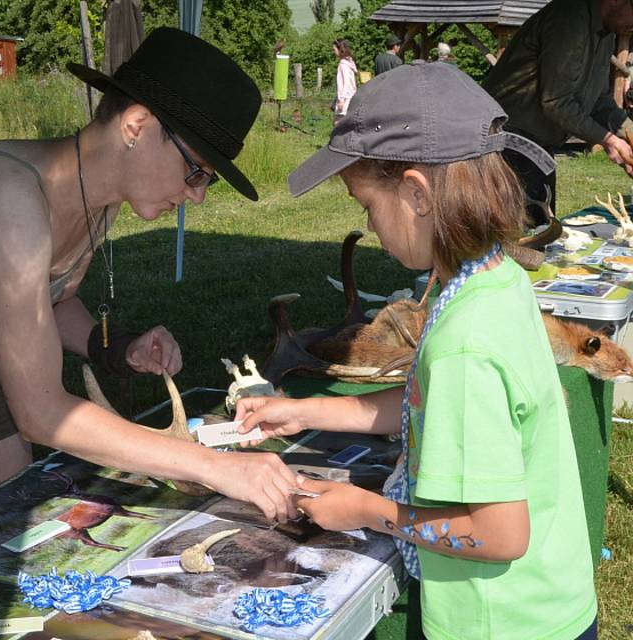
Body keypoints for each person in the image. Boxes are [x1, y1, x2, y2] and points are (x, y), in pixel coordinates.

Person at [0, 27, 298, 543]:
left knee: (15, 537)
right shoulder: (10, 199)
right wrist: (211, 466)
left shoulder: (99, 197)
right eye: (197, 171)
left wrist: (118, 346)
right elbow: (40, 413)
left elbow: (56, 301)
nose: (199, 196)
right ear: (137, 126)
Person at [237, 61, 597, 640]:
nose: (372, 226)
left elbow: (500, 534)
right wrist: (305, 411)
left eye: (367, 205)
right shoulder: (497, 282)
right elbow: (430, 402)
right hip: (549, 604)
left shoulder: (464, 344)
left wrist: (363, 509)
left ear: (416, 194)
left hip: (497, 624)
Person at [483, 0, 633, 224]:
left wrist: (629, 132)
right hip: (506, 147)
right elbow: (556, 102)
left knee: (542, 232)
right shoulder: (570, 17)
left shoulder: (606, 32)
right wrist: (610, 141)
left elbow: (599, 101)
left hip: (536, 150)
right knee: (517, 237)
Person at [332, 39, 358, 126]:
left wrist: (341, 99)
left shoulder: (343, 65)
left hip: (346, 97)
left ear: (340, 50)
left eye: (334, 49)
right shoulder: (349, 63)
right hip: (350, 96)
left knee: (338, 123)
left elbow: (346, 83)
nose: (333, 52)